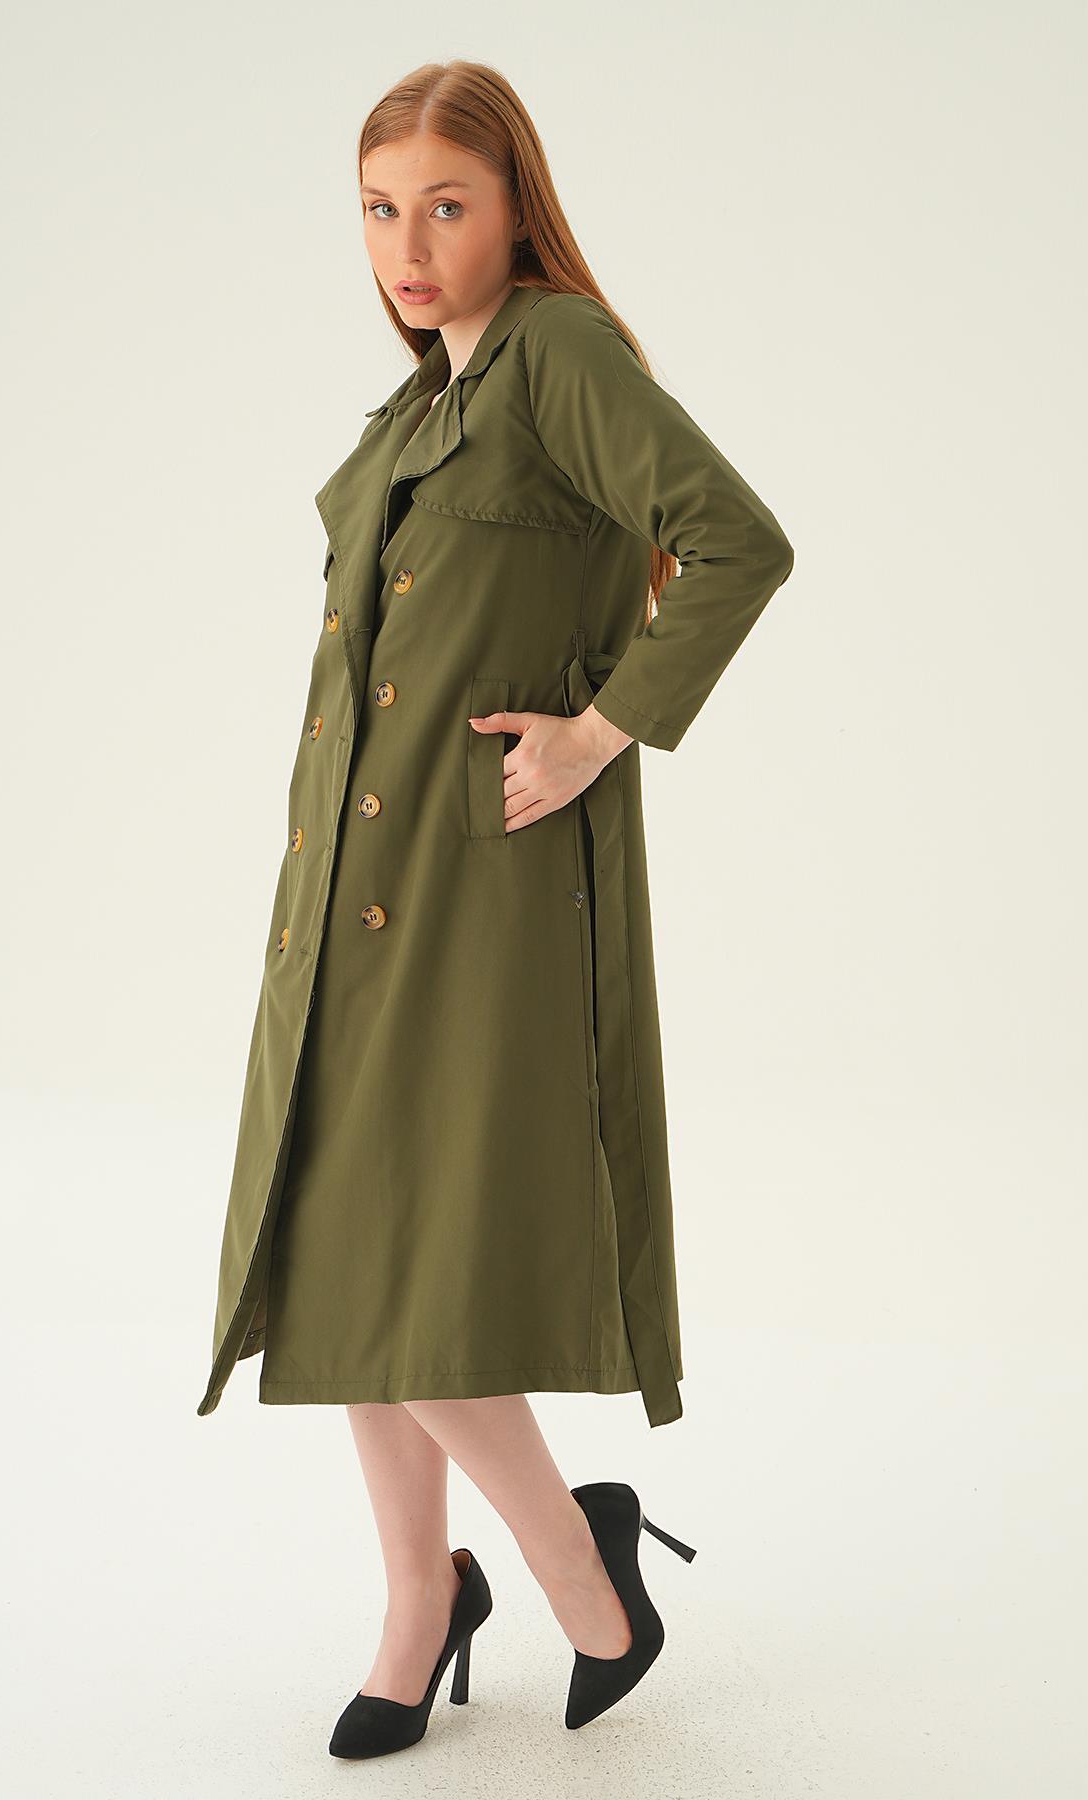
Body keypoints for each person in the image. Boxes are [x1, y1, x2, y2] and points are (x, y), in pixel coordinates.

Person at [196, 59, 794, 1757]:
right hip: (350, 903)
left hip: (484, 897)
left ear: (517, 208)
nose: (408, 246)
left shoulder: (557, 353)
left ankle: (584, 1572)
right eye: (379, 210)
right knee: (343, 1261)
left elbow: (737, 542)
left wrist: (600, 730)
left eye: (445, 206)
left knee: (429, 1274)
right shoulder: (415, 411)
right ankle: (418, 1600)